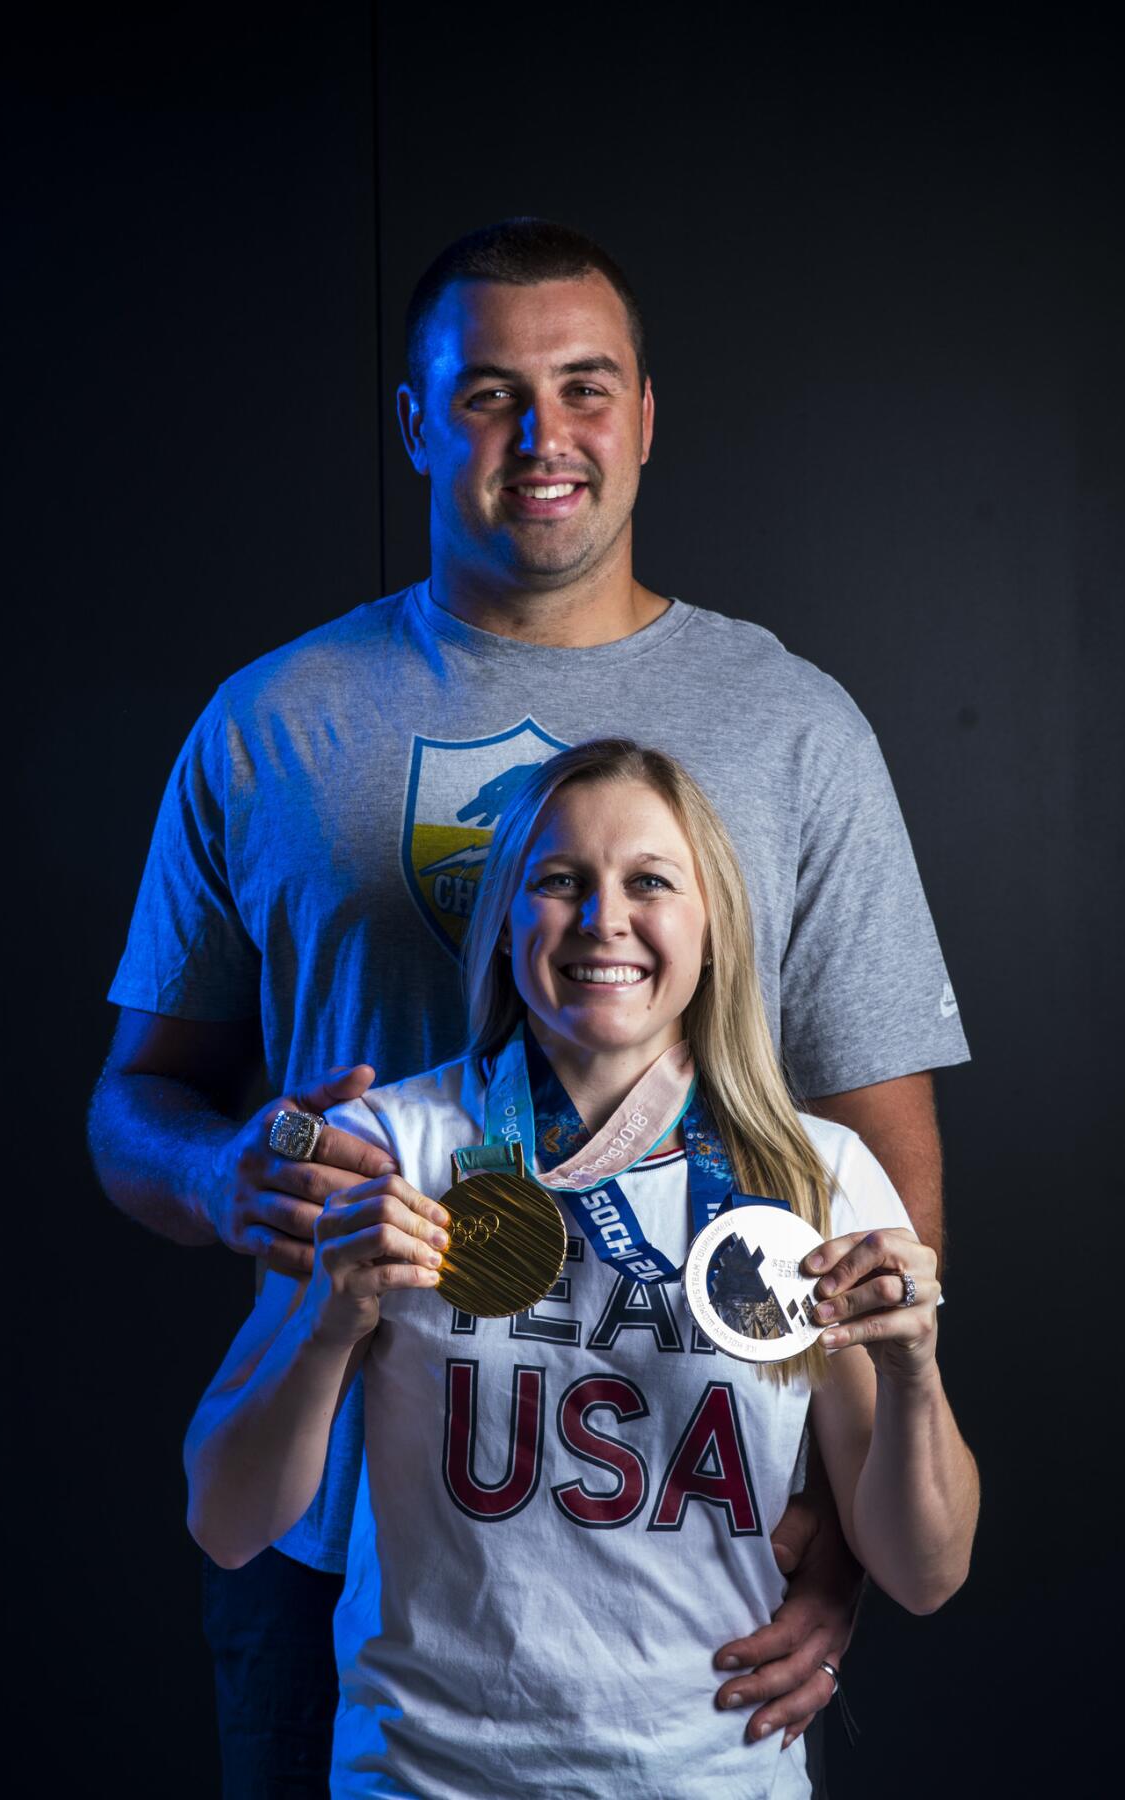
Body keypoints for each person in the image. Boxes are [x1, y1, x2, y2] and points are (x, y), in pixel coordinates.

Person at [89, 218, 970, 1792]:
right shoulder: (273, 724)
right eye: (488, 394)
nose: (542, 437)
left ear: (644, 413)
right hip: (342, 1542)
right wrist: (236, 1186)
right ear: (419, 423)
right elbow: (133, 1104)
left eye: (582, 388)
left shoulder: (792, 728)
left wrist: (844, 1517)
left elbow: (879, 1160)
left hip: (672, 1536)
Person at [184, 739, 979, 1800]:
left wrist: (917, 1372)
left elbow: (926, 1576)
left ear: (712, 927)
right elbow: (227, 1523)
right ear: (509, 924)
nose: (603, 917)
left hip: (710, 1775)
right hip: (427, 1779)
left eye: (650, 881)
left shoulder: (813, 1180)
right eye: (559, 882)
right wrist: (329, 1324)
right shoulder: (392, 1154)